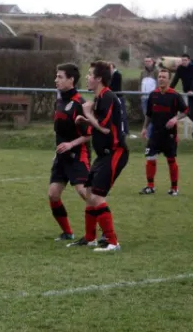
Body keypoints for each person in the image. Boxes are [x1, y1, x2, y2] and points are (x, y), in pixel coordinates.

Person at [69, 60, 128, 252]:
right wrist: (85, 120)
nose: (86, 77)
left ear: (99, 79)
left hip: (115, 152)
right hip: (102, 155)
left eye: (90, 74)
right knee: (88, 193)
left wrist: (87, 113)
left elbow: (104, 128)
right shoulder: (100, 98)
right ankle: (90, 238)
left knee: (96, 197)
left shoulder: (108, 97)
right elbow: (97, 126)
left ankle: (112, 242)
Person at [48, 63, 92, 241]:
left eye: (60, 77)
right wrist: (59, 149)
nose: (56, 80)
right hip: (61, 157)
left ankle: (104, 231)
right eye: (56, 76)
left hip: (78, 155)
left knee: (85, 193)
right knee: (53, 194)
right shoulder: (60, 101)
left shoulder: (79, 104)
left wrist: (70, 145)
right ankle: (67, 232)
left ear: (71, 80)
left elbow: (88, 135)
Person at [139, 69, 188, 196]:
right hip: (155, 133)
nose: (161, 79)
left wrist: (175, 118)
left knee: (171, 160)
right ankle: (150, 186)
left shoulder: (175, 96)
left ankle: (174, 188)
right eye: (159, 77)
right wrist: (144, 128)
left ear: (169, 80)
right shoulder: (153, 95)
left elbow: (186, 111)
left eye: (164, 77)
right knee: (150, 158)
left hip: (169, 134)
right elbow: (149, 115)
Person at [140, 57, 158, 137]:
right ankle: (148, 134)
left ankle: (150, 134)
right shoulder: (142, 72)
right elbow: (140, 83)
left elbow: (158, 84)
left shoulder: (156, 72)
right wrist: (140, 94)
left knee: (152, 117)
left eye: (149, 61)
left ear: (152, 62)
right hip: (144, 98)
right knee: (146, 117)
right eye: (145, 61)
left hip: (153, 98)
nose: (147, 62)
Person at [109, 62, 128, 136]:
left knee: (122, 114)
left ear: (113, 67)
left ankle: (124, 131)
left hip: (118, 97)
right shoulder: (111, 75)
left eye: (110, 68)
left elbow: (114, 87)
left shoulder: (117, 75)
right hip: (114, 96)